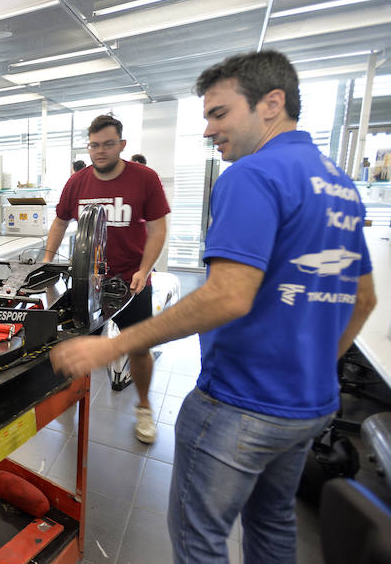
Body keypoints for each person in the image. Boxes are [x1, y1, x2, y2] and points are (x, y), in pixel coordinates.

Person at [50, 50, 376, 563]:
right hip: (310, 404)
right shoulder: (337, 181)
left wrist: (112, 346)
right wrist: (316, 369)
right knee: (271, 526)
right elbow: (364, 299)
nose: (207, 130)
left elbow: (227, 295)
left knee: (198, 540)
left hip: (242, 400)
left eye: (219, 113)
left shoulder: (250, 175)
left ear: (271, 104)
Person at [44, 114, 170, 444]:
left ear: (121, 145)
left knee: (139, 348)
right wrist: (45, 260)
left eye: (108, 144)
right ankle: (69, 401)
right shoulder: (78, 182)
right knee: (77, 345)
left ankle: (143, 407)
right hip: (86, 282)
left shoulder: (145, 178)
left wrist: (145, 269)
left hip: (131, 281)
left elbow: (158, 229)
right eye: (94, 145)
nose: (100, 151)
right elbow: (59, 222)